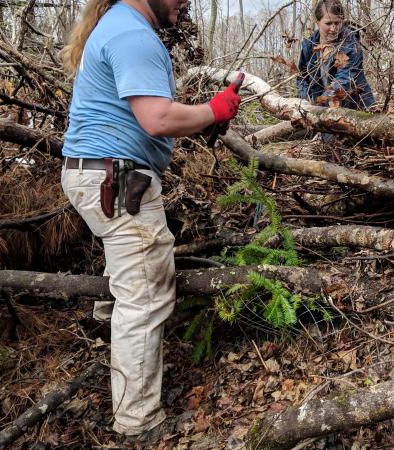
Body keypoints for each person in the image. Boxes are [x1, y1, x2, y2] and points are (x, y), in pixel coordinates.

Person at [59, 0, 240, 442]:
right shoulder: (132, 34)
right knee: (146, 294)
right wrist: (214, 110)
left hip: (101, 175)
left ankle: (109, 327)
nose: (185, 3)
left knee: (131, 277)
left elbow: (148, 116)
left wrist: (202, 119)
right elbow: (157, 118)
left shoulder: (117, 26)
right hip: (116, 179)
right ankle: (137, 422)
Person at [297, 0, 375, 111]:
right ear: (318, 22)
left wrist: (317, 106)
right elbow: (301, 77)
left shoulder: (351, 44)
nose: (333, 29)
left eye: (337, 23)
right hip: (322, 109)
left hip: (355, 109)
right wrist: (304, 101)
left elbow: (343, 82)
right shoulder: (309, 46)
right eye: (328, 23)